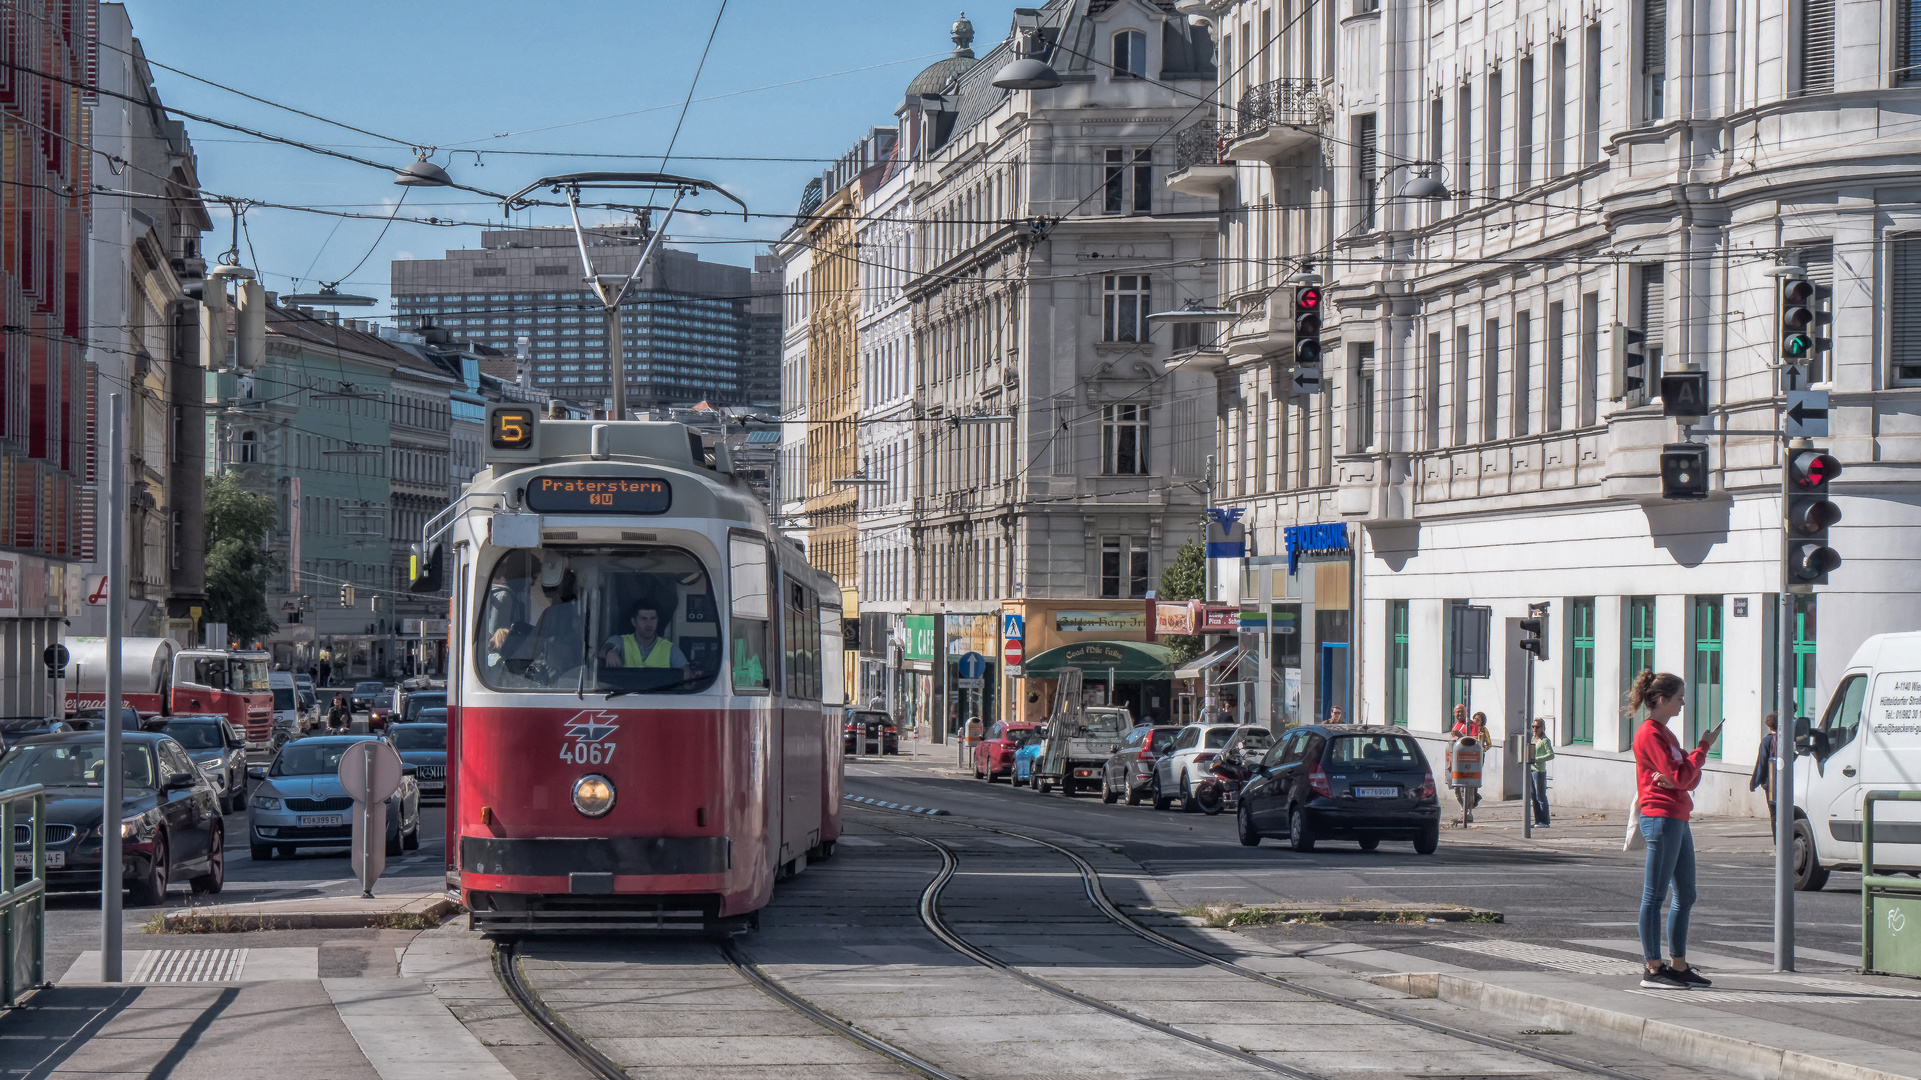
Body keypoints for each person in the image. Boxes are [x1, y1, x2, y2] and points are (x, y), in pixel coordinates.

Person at [1629, 669, 1722, 991]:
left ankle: (1678, 965)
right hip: (1661, 817)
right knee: (1654, 896)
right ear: (1662, 700)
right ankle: (1653, 968)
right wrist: (1702, 749)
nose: (1683, 704)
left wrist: (1685, 768)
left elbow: (1688, 779)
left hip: (1677, 816)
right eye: (1679, 698)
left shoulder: (1666, 735)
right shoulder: (1649, 733)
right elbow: (1684, 776)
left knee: (1686, 893)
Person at [601, 598, 691, 672]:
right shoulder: (620, 641)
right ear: (634, 622)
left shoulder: (670, 649)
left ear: (657, 620)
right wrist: (611, 652)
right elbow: (603, 650)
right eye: (644, 619)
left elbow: (686, 678)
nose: (649, 624)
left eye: (653, 618)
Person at [1750, 713, 1779, 826]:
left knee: (1774, 814)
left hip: (1771, 784)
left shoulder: (1767, 741)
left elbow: (1762, 763)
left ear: (1769, 727)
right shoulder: (1787, 739)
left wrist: (1755, 782)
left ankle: (1778, 840)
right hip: (1789, 783)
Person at [1529, 718, 1555, 827]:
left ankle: (1545, 821)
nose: (1535, 729)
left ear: (1542, 728)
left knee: (1541, 796)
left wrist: (1537, 759)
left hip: (1539, 771)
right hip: (1531, 769)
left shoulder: (1545, 740)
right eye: (1533, 727)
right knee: (1533, 796)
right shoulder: (1532, 738)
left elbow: (1551, 754)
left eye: (1537, 727)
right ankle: (1538, 820)